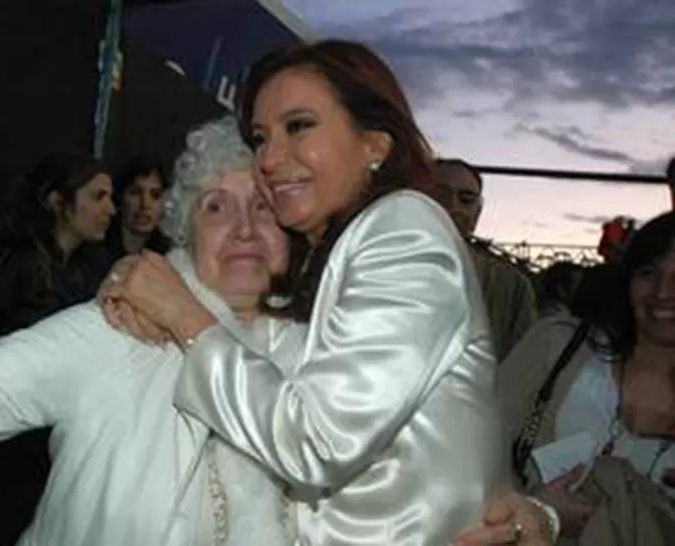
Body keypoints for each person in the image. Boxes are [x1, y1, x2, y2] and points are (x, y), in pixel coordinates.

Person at [0, 117, 550, 546]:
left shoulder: (321, 358)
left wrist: (537, 519)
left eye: (264, 208)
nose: (245, 226)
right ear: (186, 228)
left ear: (295, 236)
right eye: (217, 207)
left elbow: (424, 475)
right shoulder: (116, 329)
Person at [100, 42, 554, 544]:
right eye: (260, 137)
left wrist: (181, 315)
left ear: (375, 145)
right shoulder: (323, 255)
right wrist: (129, 276)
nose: (269, 158)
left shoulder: (403, 228)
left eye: (298, 126)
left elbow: (316, 440)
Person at [503, 213, 675, 544]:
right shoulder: (557, 348)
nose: (663, 292)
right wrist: (534, 511)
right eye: (648, 272)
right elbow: (471, 448)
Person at [0, 152, 115, 347]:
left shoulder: (91, 266)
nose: (110, 209)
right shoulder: (16, 262)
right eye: (98, 197)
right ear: (58, 202)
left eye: (110, 198)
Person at [431, 157, 538, 361]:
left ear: (477, 213)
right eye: (439, 195)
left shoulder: (511, 287)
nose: (452, 207)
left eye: (466, 200)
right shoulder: (373, 265)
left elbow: (524, 367)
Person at [105, 154, 172, 258]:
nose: (145, 204)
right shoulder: (94, 251)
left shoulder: (169, 255)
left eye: (155, 195)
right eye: (135, 192)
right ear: (120, 196)